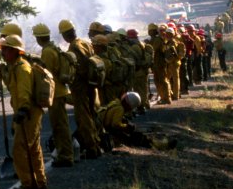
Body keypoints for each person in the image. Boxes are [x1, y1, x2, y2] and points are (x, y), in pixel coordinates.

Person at [0, 34, 47, 189]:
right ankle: (39, 184)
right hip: (27, 114)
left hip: (28, 115)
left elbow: (24, 92)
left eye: (5, 50)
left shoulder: (22, 68)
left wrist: (23, 110)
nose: (3, 53)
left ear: (14, 51)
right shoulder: (15, 67)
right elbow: (13, 87)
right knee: (33, 149)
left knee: (20, 150)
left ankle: (28, 185)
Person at [59, 19, 102, 159]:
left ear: (64, 35)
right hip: (90, 84)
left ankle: (92, 148)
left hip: (81, 87)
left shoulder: (74, 48)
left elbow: (81, 67)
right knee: (91, 114)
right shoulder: (85, 42)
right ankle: (96, 143)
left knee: (84, 119)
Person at [33, 23, 73, 167]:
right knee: (60, 125)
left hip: (55, 93)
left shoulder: (48, 52)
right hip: (59, 91)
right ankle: (65, 153)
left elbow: (47, 74)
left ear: (39, 38)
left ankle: (66, 156)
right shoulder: (52, 48)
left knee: (59, 126)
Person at [98, 92, 176, 150]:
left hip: (101, 128)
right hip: (106, 132)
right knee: (135, 137)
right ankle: (159, 145)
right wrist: (127, 127)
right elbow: (115, 124)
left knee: (129, 128)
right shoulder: (120, 109)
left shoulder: (116, 103)